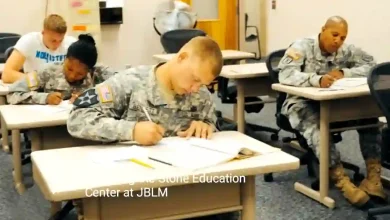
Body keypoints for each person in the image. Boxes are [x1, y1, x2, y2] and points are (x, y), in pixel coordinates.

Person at [67, 36, 239, 220]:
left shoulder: (200, 94)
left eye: (202, 84)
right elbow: (78, 117)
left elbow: (212, 126)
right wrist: (131, 130)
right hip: (136, 189)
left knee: (227, 210)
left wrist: (206, 126)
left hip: (185, 188)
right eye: (195, 79)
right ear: (181, 58)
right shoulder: (130, 82)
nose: (195, 88)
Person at [278, 16, 387, 207]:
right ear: (323, 30)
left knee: (369, 119)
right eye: (334, 34)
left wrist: (346, 73)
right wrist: (315, 79)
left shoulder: (345, 50)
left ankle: (373, 179)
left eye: (343, 37)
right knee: (318, 129)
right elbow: (285, 74)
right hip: (301, 104)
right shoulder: (301, 47)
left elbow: (372, 64)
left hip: (335, 103)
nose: (338, 41)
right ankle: (341, 181)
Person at [7, 34, 117, 105]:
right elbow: (13, 94)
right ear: (65, 59)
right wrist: (45, 98)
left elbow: (125, 86)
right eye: (69, 69)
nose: (73, 76)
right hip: (48, 130)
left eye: (80, 74)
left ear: (89, 70)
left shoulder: (97, 73)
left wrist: (92, 97)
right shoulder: (47, 72)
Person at [3, 14, 77, 83]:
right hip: (35, 86)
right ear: (43, 33)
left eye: (60, 40)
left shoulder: (72, 44)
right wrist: (38, 81)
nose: (57, 44)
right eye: (53, 41)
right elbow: (7, 74)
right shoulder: (29, 40)